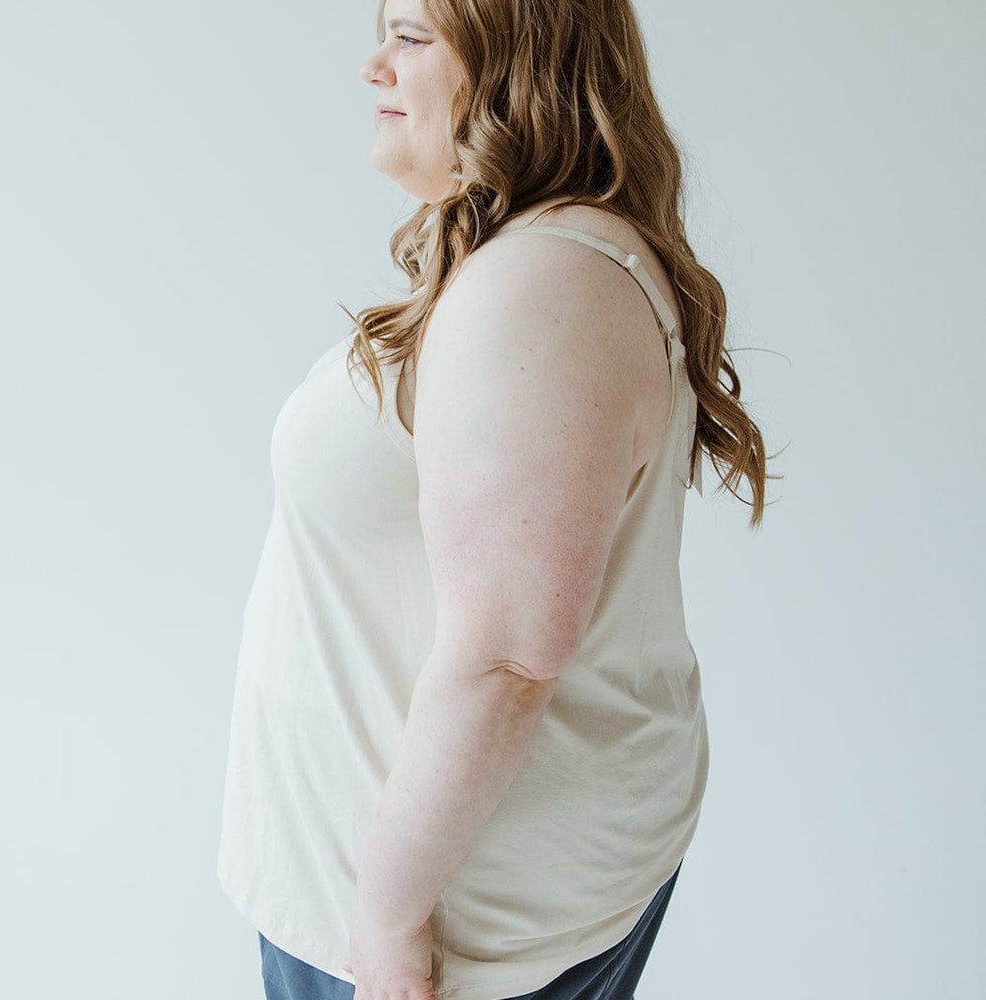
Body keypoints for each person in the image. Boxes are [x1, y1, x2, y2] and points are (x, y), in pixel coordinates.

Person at [216, 1, 771, 999]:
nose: (373, 67)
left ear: (523, 59)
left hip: (440, 932)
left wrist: (387, 922)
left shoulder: (541, 285)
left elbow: (509, 653)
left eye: (412, 37)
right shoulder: (540, 255)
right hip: (453, 891)